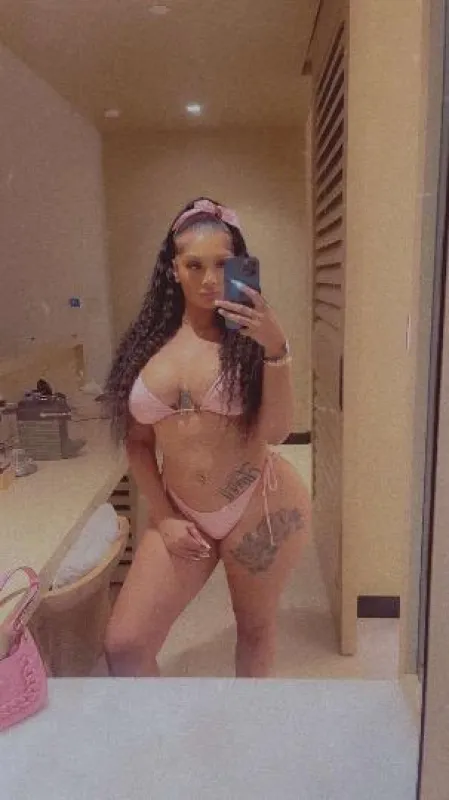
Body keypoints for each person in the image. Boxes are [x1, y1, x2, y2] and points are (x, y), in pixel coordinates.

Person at [104, 197, 310, 678]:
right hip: (180, 508)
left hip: (259, 501)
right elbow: (138, 443)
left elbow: (276, 431)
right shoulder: (146, 344)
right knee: (125, 646)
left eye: (222, 264)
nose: (209, 278)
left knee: (254, 629)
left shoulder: (250, 340)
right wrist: (164, 516)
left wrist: (277, 349)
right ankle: (161, 727)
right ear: (173, 269)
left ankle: (247, 724)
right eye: (194, 265)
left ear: (238, 265)